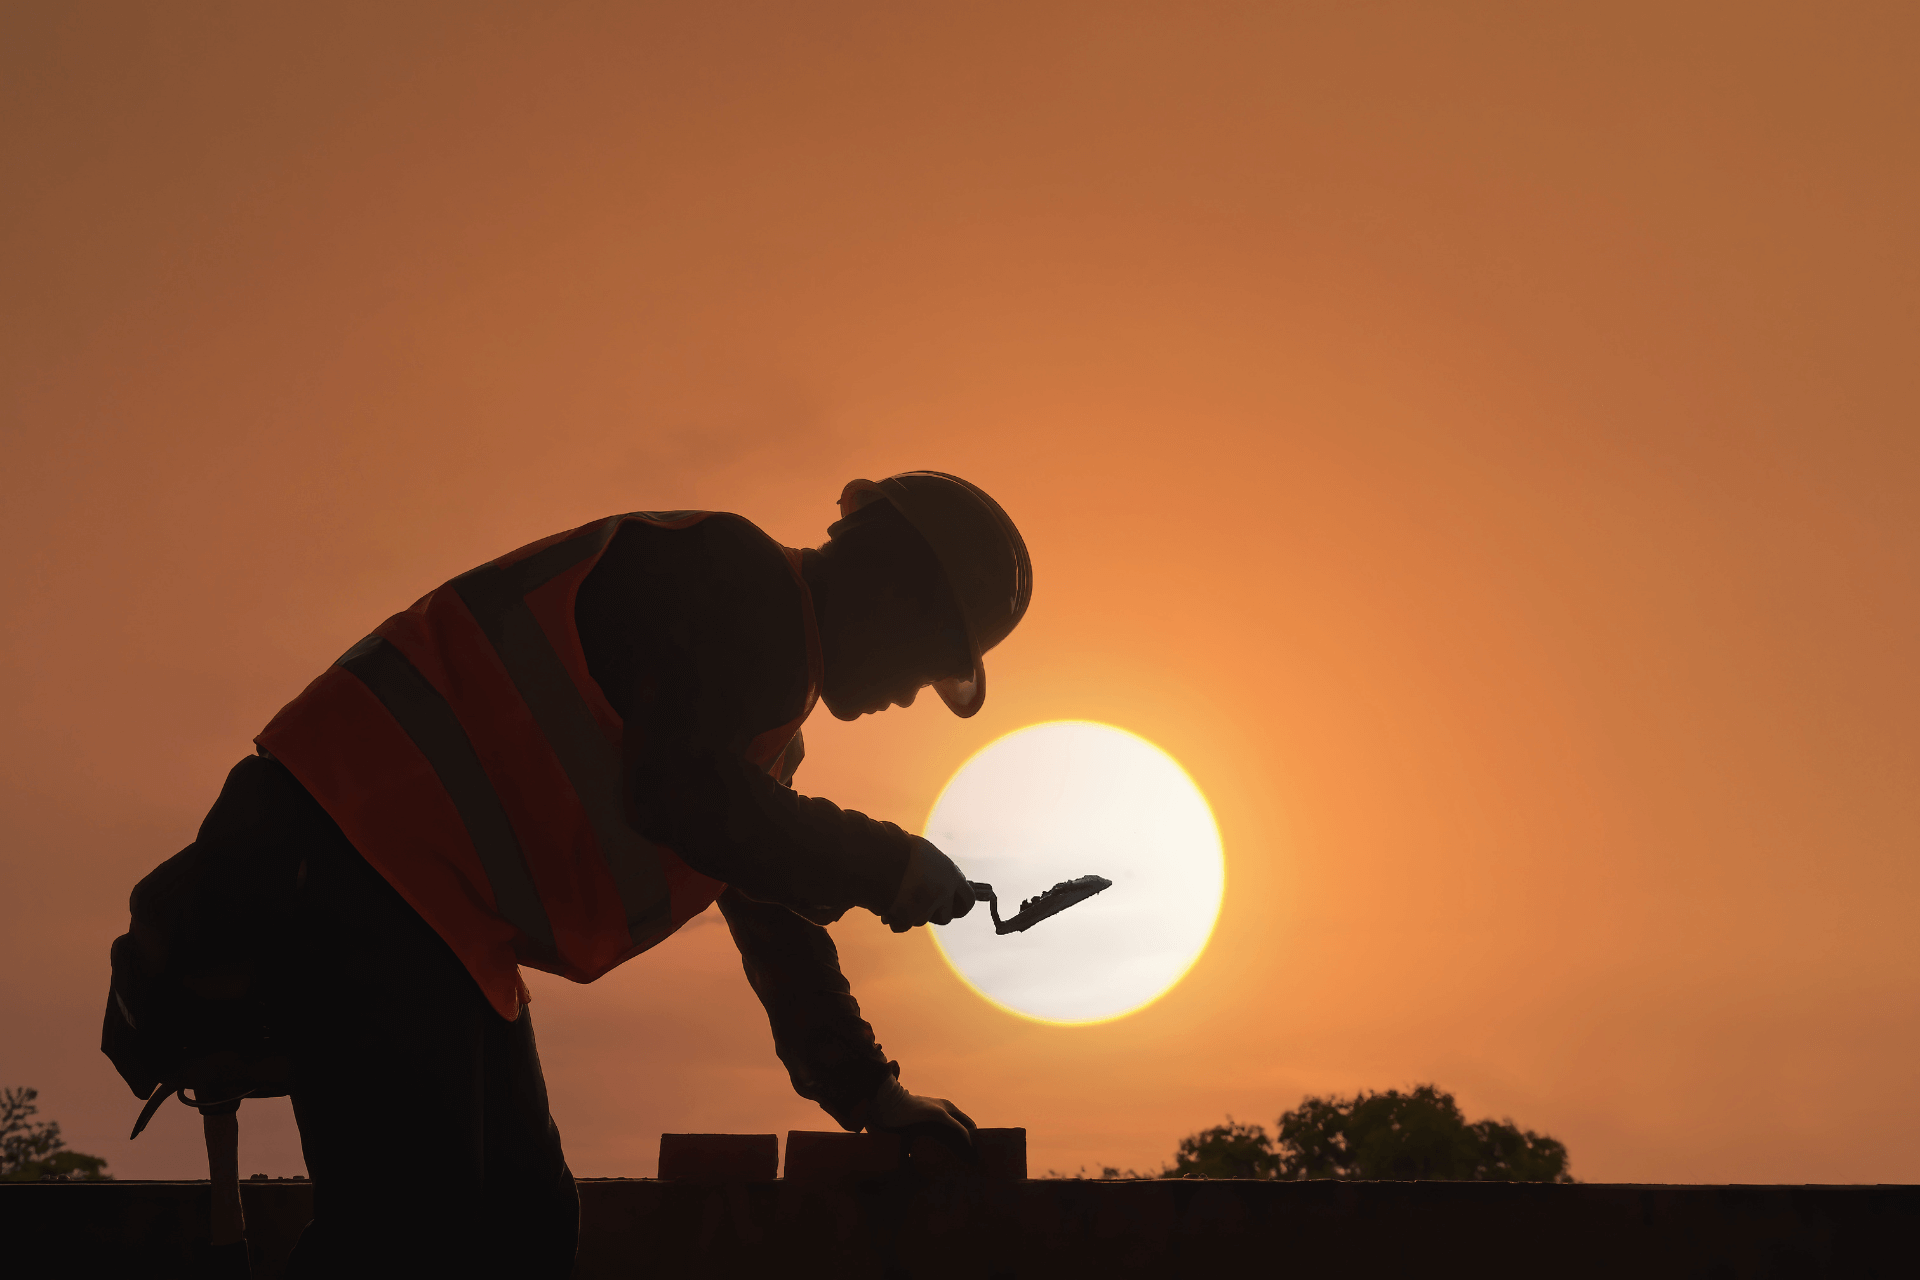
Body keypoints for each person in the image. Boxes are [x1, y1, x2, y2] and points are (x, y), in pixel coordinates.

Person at [102, 471, 1032, 1278]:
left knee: (521, 1232)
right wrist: (886, 861)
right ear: (893, 591)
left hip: (433, 907)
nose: (912, 692)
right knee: (407, 1240)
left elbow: (767, 900)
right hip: (354, 851)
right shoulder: (733, 582)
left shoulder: (758, 709)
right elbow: (691, 804)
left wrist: (868, 1091)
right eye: (930, 660)